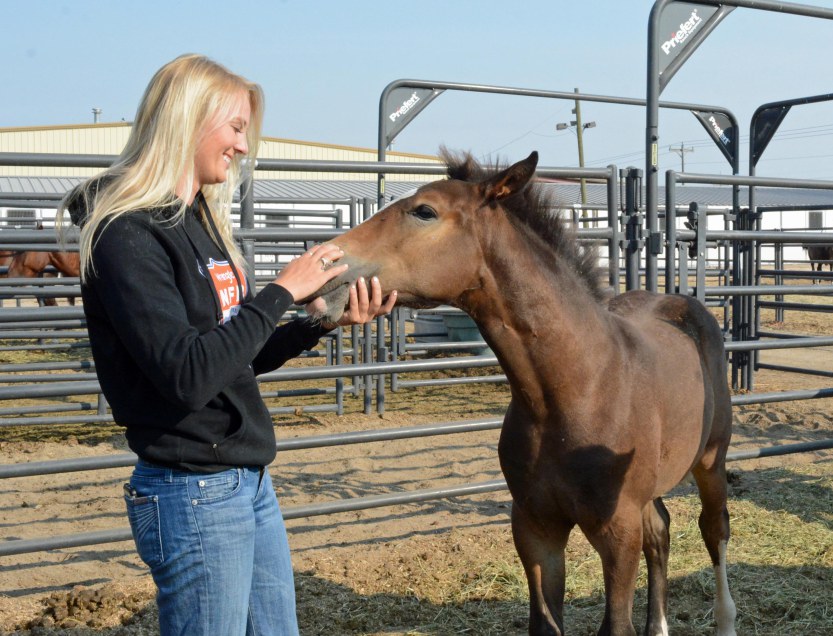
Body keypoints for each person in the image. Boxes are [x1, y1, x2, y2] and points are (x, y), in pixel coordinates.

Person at [58, 54, 396, 636]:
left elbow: (229, 360)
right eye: (236, 127)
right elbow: (185, 375)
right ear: (188, 119)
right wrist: (282, 290)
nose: (243, 146)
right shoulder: (126, 232)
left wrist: (316, 324)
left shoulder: (200, 223)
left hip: (245, 480)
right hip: (193, 493)